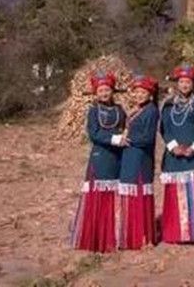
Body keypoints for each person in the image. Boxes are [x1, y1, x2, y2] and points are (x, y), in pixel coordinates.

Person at [71, 71, 126, 252]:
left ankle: (114, 234)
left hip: (117, 157)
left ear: (112, 91)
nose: (104, 93)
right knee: (99, 194)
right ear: (96, 93)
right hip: (101, 156)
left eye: (107, 90)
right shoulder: (93, 111)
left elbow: (125, 128)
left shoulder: (120, 110)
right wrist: (115, 139)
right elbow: (94, 134)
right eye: (101, 90)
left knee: (115, 193)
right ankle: (97, 237)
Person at [159, 64, 194, 243]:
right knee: (175, 194)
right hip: (173, 157)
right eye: (181, 81)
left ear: (193, 83)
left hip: (193, 156)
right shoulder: (168, 105)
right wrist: (173, 147)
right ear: (177, 83)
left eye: (188, 82)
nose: (184, 85)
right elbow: (164, 128)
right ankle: (175, 233)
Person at [118, 74, 159, 250]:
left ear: (150, 94)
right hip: (130, 156)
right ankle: (130, 235)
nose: (139, 95)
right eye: (137, 92)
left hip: (140, 157)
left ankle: (141, 236)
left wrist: (128, 139)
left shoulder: (151, 111)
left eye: (143, 92)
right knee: (130, 195)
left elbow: (148, 138)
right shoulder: (138, 109)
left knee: (139, 195)